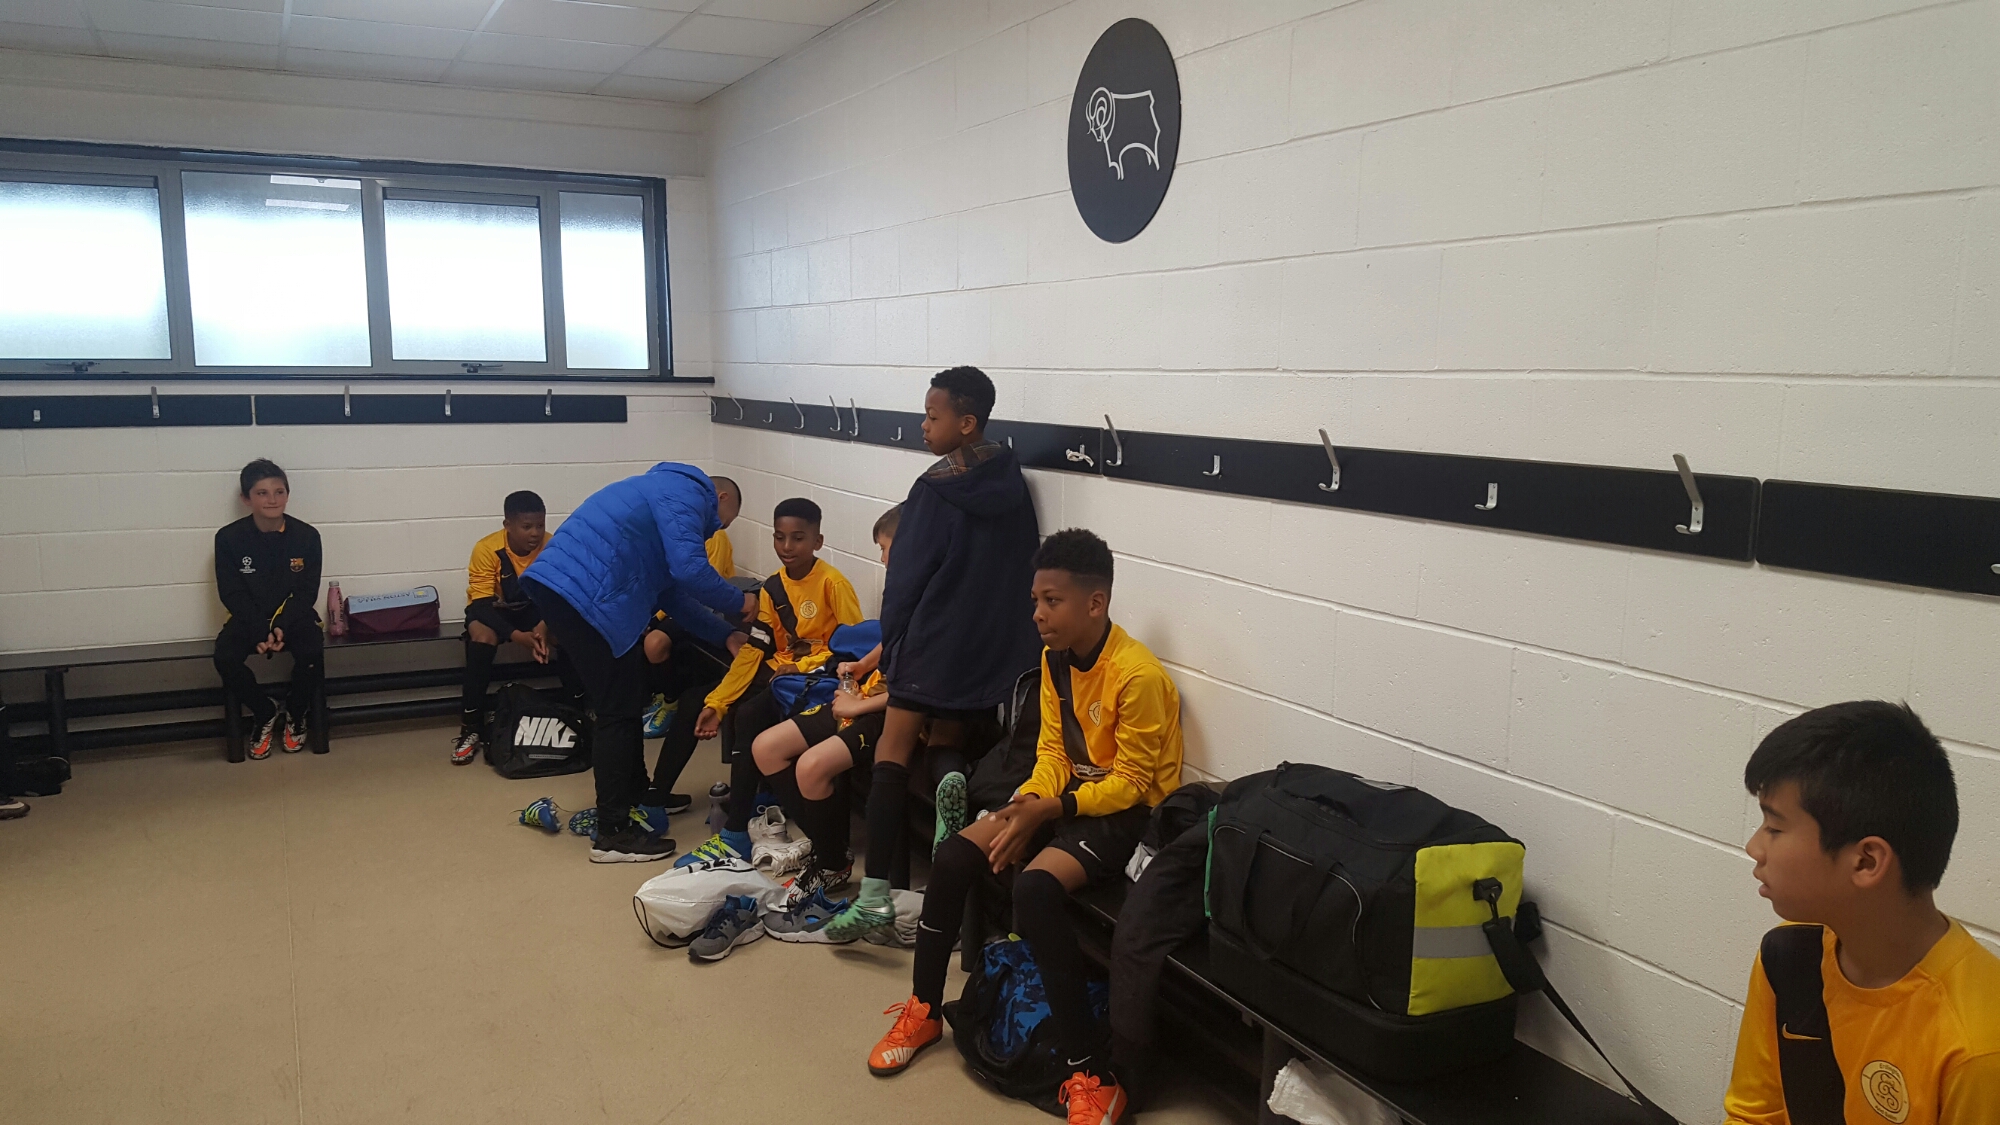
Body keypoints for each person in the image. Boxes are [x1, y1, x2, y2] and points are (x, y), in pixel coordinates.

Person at [864, 529, 1180, 1124]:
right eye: (1035, 600)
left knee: (1035, 888)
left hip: (1126, 816)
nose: (1037, 613)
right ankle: (924, 1010)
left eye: (1051, 601)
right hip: (1062, 797)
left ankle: (1090, 1074)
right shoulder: (1053, 660)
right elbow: (1053, 751)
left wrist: (1047, 810)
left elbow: (1135, 783)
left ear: (1096, 602)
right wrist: (1028, 800)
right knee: (956, 857)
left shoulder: (1137, 675)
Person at [822, 366, 1042, 942]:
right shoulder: (1013, 482)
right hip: (988, 651)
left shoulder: (933, 489)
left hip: (931, 643)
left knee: (892, 755)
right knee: (946, 741)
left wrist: (893, 644)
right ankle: (952, 798)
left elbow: (906, 579)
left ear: (966, 422)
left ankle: (875, 899)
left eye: (932, 415)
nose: (922, 425)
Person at [1725, 701, 1998, 1124]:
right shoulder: (1789, 956)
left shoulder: (1978, 1046)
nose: (1754, 848)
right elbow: (1754, 1115)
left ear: (1867, 862)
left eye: (1775, 828)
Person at [521, 463, 755, 864]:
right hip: (582, 595)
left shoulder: (660, 495)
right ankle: (612, 834)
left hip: (571, 591)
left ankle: (637, 798)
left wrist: (725, 634)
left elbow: (673, 594)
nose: (713, 532)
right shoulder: (684, 493)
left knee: (628, 697)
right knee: (616, 710)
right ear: (720, 498)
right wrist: (740, 602)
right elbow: (690, 570)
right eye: (720, 523)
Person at [674, 497, 863, 868]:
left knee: (751, 716)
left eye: (798, 538)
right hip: (782, 676)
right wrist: (718, 702)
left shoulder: (833, 583)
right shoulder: (772, 587)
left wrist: (803, 665)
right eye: (779, 537)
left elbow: (854, 649)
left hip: (820, 681)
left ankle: (741, 828)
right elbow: (754, 650)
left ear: (818, 541)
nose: (787, 547)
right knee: (729, 709)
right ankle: (742, 820)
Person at [751, 504, 901, 914]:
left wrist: (861, 703)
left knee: (811, 766)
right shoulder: (906, 590)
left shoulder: (937, 601)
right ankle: (828, 847)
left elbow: (920, 688)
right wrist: (862, 665)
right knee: (766, 748)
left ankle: (831, 862)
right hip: (863, 695)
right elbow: (891, 641)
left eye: (885, 548)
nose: (881, 558)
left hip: (890, 713)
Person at [450, 491, 584, 765]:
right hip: (493, 610)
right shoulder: (486, 549)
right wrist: (518, 637)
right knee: (482, 638)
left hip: (535, 608)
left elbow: (559, 596)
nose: (535, 533)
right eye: (526, 526)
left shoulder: (552, 546)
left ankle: (578, 711)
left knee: (568, 632)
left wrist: (543, 627)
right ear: (507, 525)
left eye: (540, 525)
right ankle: (471, 726)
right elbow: (480, 606)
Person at [213, 459, 323, 760]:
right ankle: (264, 711)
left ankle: (296, 712)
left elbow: (306, 592)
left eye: (279, 492)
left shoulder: (307, 536)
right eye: (262, 493)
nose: (272, 500)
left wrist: (280, 626)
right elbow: (231, 593)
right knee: (224, 656)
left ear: (287, 495)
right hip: (248, 618)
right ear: (246, 499)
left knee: (312, 650)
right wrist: (260, 630)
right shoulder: (228, 538)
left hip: (294, 617)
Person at [641, 474, 741, 738]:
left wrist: (655, 618)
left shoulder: (715, 538)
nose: (720, 527)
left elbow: (701, 589)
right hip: (671, 603)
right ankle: (660, 695)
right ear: (720, 498)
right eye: (725, 521)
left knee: (654, 643)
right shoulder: (678, 525)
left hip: (705, 608)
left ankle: (671, 703)